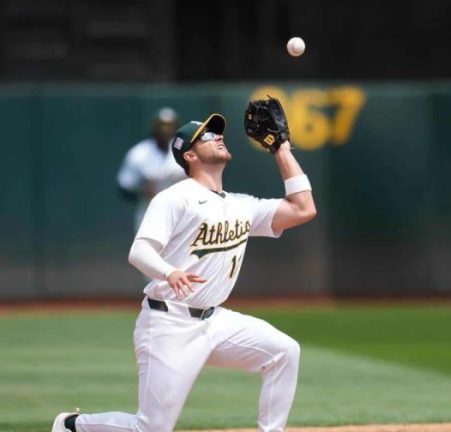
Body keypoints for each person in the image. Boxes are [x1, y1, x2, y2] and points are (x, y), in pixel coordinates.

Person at [53, 110, 317, 432]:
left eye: (218, 133)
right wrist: (169, 273)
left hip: (216, 321)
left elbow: (304, 208)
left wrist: (281, 149)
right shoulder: (175, 198)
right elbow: (139, 251)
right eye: (207, 135)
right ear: (189, 154)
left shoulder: (239, 204)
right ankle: (72, 426)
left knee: (284, 352)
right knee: (151, 428)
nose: (218, 137)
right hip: (169, 322)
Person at [117, 107, 186, 232]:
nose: (165, 130)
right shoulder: (139, 153)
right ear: (154, 127)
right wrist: (142, 190)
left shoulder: (186, 151)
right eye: (162, 125)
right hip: (149, 215)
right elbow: (124, 187)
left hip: (181, 215)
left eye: (169, 125)